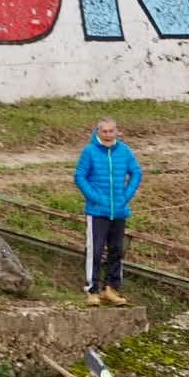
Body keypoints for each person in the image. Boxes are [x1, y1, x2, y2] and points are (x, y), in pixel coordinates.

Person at [74, 117, 142, 307]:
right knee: (95, 251)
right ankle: (92, 290)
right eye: (104, 131)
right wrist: (94, 197)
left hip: (118, 210)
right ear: (98, 132)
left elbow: (136, 172)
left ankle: (111, 289)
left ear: (116, 132)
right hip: (97, 211)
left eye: (111, 131)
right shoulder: (89, 151)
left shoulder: (124, 150)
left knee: (116, 251)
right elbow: (80, 176)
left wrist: (126, 196)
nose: (108, 134)